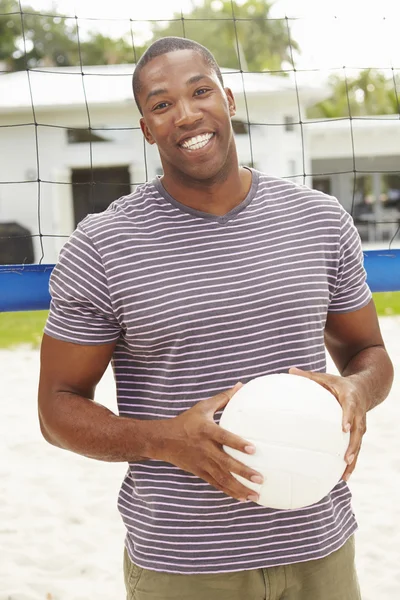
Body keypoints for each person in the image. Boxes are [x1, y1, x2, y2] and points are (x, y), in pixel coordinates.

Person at [38, 37, 394, 600]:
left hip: (320, 546)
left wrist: (354, 391)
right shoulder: (104, 245)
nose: (186, 114)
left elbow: (371, 357)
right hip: (185, 564)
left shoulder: (319, 220)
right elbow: (57, 409)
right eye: (161, 104)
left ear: (227, 99)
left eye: (200, 91)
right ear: (146, 129)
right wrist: (166, 440)